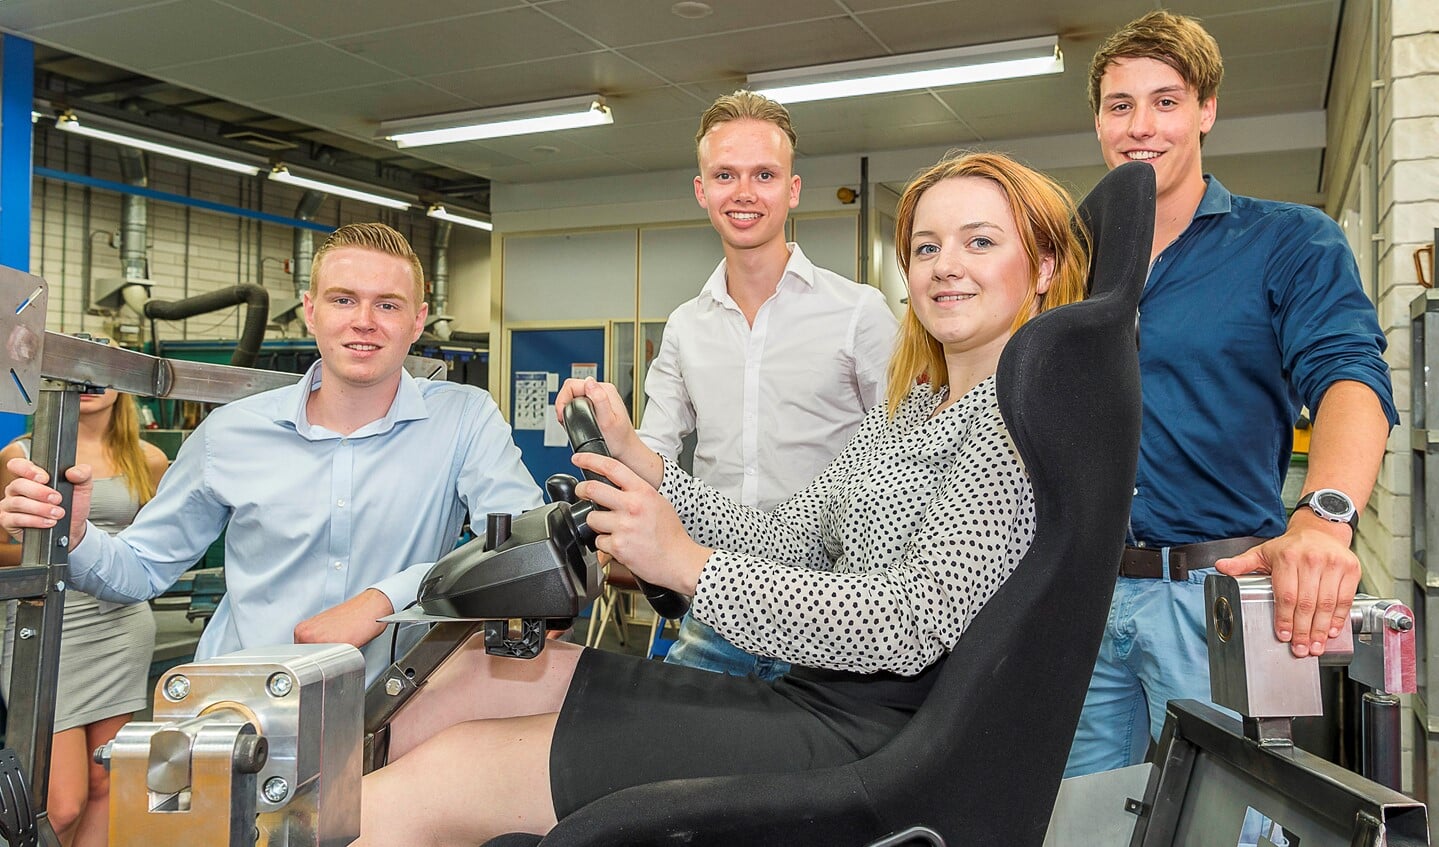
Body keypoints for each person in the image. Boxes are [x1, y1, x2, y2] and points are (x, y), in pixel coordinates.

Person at [353, 151, 1089, 845]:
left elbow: (911, 621)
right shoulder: (910, 411)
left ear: (1044, 266)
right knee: (468, 675)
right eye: (925, 249)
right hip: (815, 692)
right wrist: (642, 463)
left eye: (979, 242)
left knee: (448, 777)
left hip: (876, 735)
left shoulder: (1013, 425)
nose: (945, 267)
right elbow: (785, 534)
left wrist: (687, 565)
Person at [1064, 10, 1398, 777]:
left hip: (1213, 599)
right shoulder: (1068, 256)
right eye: (1120, 105)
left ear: (1206, 111)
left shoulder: (1288, 240)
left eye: (1166, 100)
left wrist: (1323, 517)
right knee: (1077, 821)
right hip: (1082, 599)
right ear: (1097, 121)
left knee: (1229, 818)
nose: (1139, 125)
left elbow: (1351, 376)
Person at [0, 223, 543, 686]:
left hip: (393, 706)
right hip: (242, 703)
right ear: (311, 310)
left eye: (388, 304)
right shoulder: (231, 432)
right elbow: (140, 570)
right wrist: (74, 538)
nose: (364, 321)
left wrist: (386, 598)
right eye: (343, 299)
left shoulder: (463, 419)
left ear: (418, 320)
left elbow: (524, 542)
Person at [638, 90, 898, 679]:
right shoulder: (685, 325)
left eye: (764, 174)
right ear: (702, 190)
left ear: (793, 189)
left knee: (815, 771)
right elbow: (652, 452)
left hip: (832, 607)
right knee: (683, 757)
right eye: (725, 175)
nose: (745, 192)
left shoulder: (859, 312)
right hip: (717, 602)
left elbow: (904, 453)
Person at [0, 375, 168, 847]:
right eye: (78, 374)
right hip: (47, 621)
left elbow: (157, 548)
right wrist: (60, 555)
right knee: (61, 801)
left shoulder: (148, 458)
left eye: (102, 374)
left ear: (122, 385)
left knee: (105, 782)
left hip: (121, 626)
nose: (90, 384)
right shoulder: (22, 455)